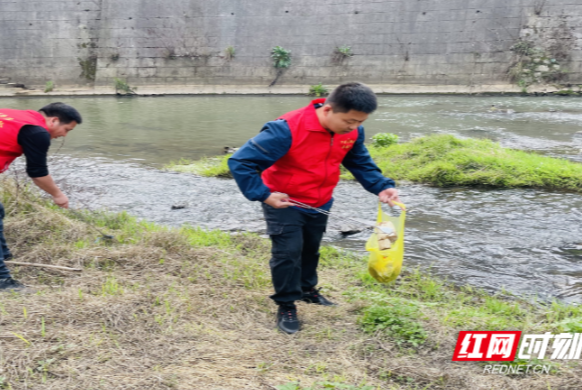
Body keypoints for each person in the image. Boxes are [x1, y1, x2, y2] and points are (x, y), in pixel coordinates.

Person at [228, 82, 400, 334]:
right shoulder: (286, 129)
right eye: (350, 121)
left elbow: (359, 161)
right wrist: (264, 195)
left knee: (311, 247)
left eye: (360, 122)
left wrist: (381, 186)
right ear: (328, 109)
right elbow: (240, 161)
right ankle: (286, 303)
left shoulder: (351, 132)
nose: (354, 127)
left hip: (320, 201)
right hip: (284, 201)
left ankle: (307, 290)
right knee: (288, 252)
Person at [0, 102, 83, 291]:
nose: (64, 135)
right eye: (66, 129)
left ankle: (4, 254)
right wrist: (58, 195)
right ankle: (2, 281)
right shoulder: (37, 132)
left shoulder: (16, 115)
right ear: (54, 120)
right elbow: (37, 172)